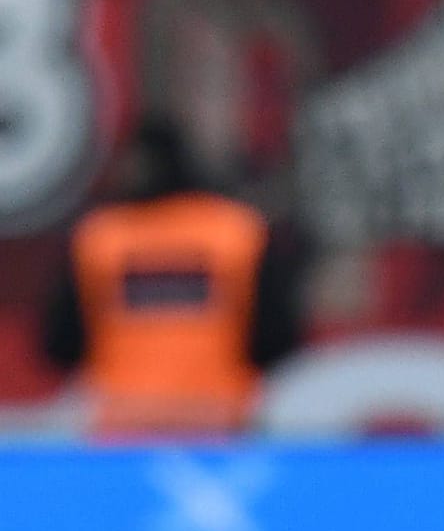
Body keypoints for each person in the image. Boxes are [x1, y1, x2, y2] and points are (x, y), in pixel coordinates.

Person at [39, 116, 304, 439]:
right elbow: (277, 336)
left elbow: (61, 342)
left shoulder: (100, 239)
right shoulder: (236, 232)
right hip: (219, 426)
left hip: (122, 429)